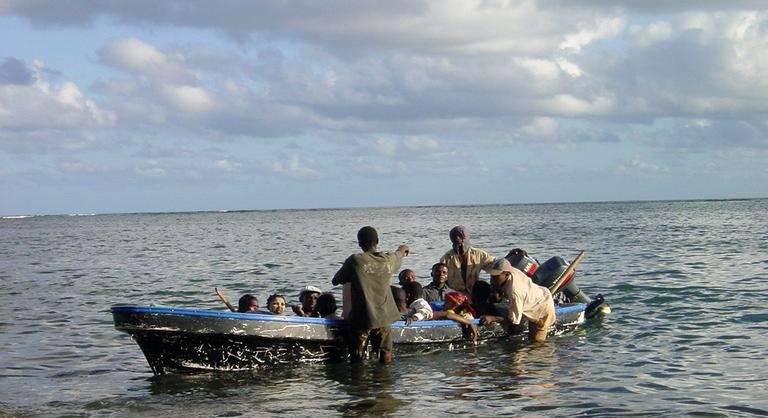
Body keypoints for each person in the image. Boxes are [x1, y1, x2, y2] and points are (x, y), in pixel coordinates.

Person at [331, 226, 409, 364]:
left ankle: (360, 382)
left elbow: (336, 280)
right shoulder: (388, 260)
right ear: (377, 241)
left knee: (357, 357)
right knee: (385, 353)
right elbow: (400, 252)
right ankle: (383, 380)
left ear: (359, 243)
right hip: (384, 317)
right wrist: (404, 248)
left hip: (362, 318)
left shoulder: (355, 260)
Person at [480, 258, 556, 342]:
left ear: (506, 274)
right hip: (535, 296)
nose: (492, 279)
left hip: (541, 309)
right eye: (492, 275)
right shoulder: (510, 271)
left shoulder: (515, 291)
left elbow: (513, 321)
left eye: (496, 276)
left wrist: (492, 318)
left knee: (536, 345)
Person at [439, 226, 497, 293]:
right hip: (455, 295)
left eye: (460, 236)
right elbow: (441, 280)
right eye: (454, 236)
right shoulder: (446, 258)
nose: (457, 238)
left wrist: (510, 257)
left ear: (466, 237)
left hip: (474, 294)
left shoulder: (479, 255)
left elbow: (496, 266)